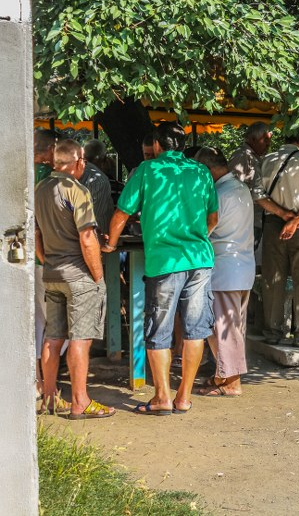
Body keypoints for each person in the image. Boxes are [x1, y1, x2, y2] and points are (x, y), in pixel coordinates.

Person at [104, 122, 218, 415]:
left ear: (156, 145)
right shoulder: (200, 171)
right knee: (195, 331)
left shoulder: (148, 170)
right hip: (199, 260)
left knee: (159, 331)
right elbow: (213, 218)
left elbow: (121, 213)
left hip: (164, 262)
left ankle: (162, 397)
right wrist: (194, 237)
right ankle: (184, 397)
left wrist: (110, 244)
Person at [34, 139, 115, 419]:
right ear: (79, 161)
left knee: (53, 337)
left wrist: (48, 261)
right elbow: (87, 237)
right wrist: (98, 275)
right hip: (78, 274)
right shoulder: (76, 189)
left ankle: (49, 397)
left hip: (53, 272)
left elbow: (36, 235)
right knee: (81, 339)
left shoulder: (41, 188)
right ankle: (80, 401)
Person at [252, 130, 299, 347]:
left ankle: (273, 332)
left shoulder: (267, 160)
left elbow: (258, 195)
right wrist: (295, 221)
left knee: (273, 279)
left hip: (274, 223)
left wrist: (283, 215)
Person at [195, 147, 255, 396]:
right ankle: (224, 375)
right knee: (232, 328)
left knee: (223, 328)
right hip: (242, 268)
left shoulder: (219, 193)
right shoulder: (240, 189)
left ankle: (231, 381)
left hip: (225, 269)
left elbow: (204, 229)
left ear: (209, 170)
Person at [33, 129, 59, 399]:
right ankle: (46, 384)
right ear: (50, 149)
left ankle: (36, 380)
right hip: (45, 259)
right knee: (53, 324)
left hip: (28, 257)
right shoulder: (47, 178)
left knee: (36, 322)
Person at [80, 139, 115, 236]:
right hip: (94, 238)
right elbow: (95, 215)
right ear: (100, 159)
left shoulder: (74, 172)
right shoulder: (99, 180)